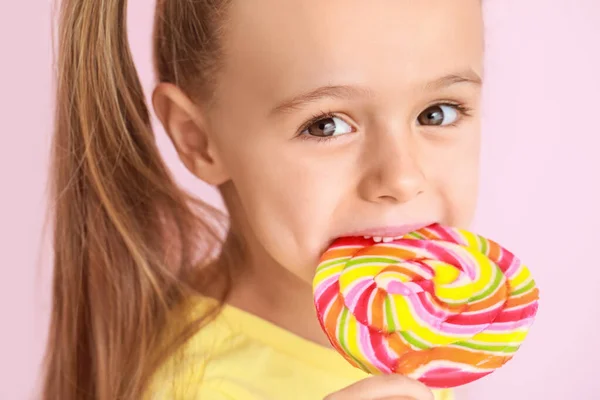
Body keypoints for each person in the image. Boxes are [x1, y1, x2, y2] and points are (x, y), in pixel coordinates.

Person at [41, 0, 484, 399]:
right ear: (197, 140)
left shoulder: (429, 327)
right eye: (325, 125)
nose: (403, 178)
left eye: (438, 113)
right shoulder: (188, 388)